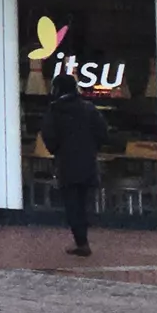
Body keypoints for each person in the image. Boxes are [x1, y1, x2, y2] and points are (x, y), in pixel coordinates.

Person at [42, 69, 106, 258]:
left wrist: (57, 150)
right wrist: (93, 147)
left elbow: (49, 136)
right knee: (84, 202)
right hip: (87, 162)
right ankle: (83, 237)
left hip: (66, 163)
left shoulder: (55, 110)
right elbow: (103, 132)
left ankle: (81, 241)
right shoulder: (88, 108)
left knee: (72, 204)